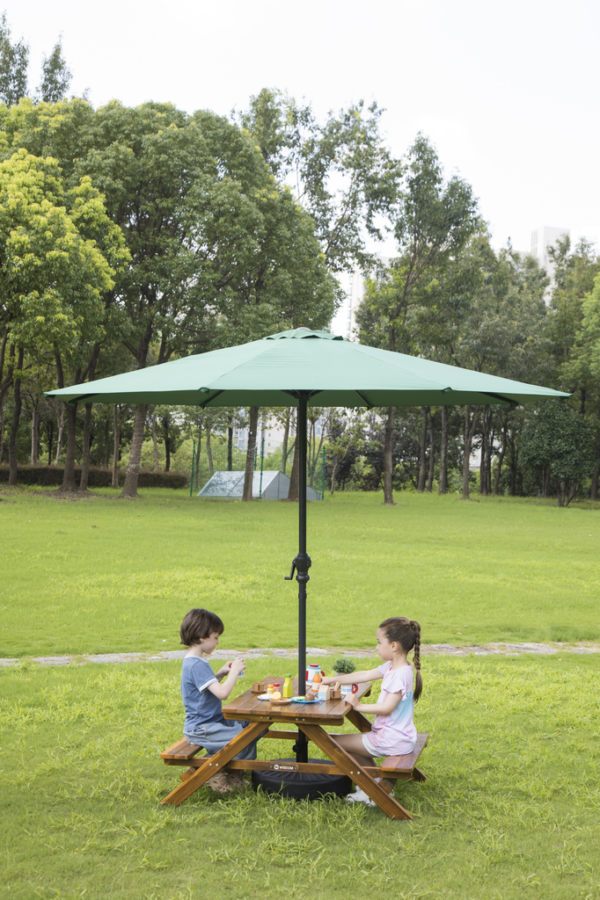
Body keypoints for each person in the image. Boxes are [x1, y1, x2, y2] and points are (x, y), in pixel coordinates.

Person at [322, 616, 423, 806]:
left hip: (390, 739)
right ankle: (373, 785)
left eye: (379, 642)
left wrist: (357, 705)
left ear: (393, 646)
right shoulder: (399, 667)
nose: (376, 647)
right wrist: (330, 680)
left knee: (332, 742)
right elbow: (365, 675)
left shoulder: (397, 675)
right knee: (346, 741)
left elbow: (387, 708)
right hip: (401, 735)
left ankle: (370, 790)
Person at [179, 607, 260, 794]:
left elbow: (206, 689)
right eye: (215, 637)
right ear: (201, 636)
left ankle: (233, 771)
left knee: (252, 725)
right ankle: (213, 773)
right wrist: (233, 672)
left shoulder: (193, 661)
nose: (217, 642)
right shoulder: (196, 664)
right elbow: (222, 694)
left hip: (212, 722)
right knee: (245, 737)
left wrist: (221, 673)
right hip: (201, 727)